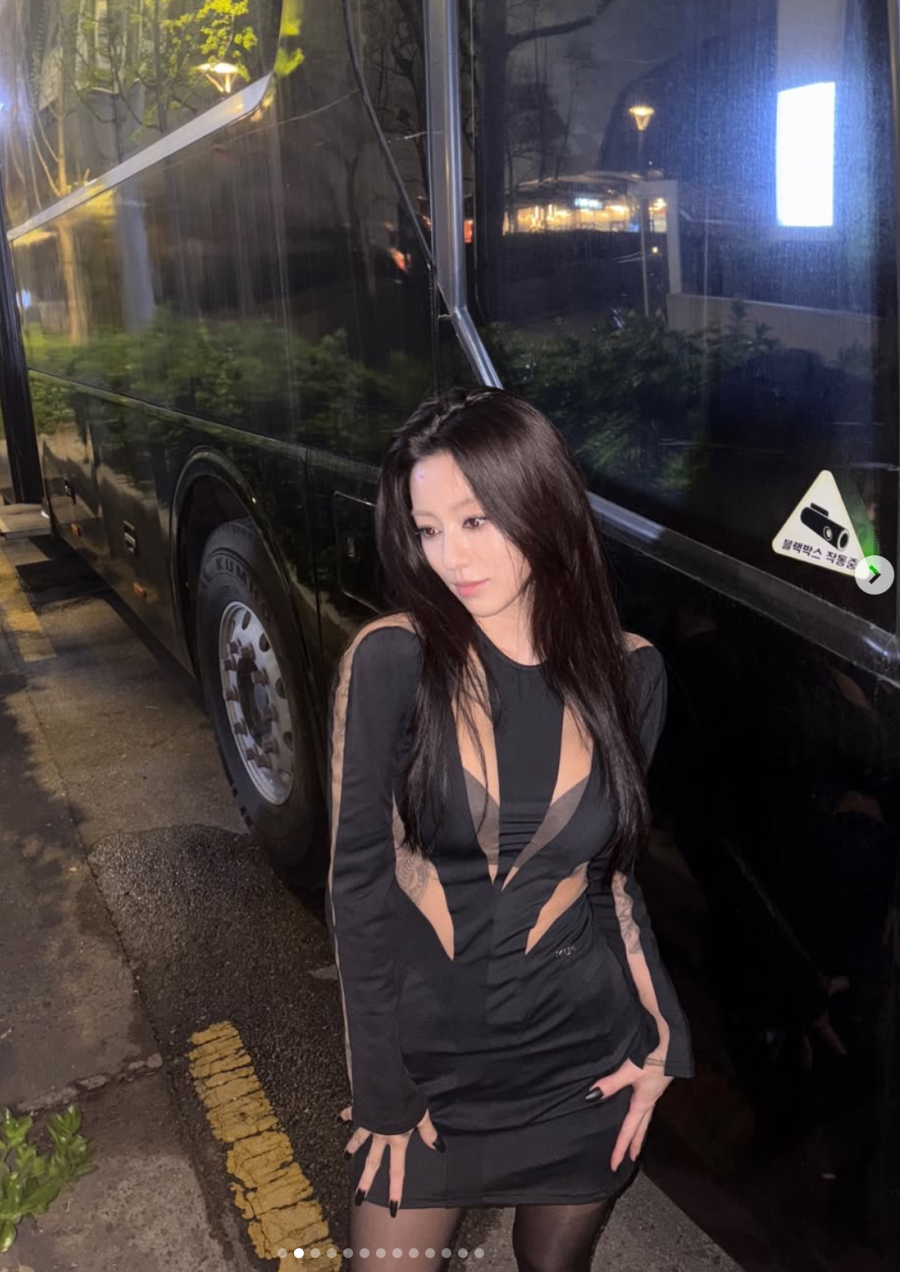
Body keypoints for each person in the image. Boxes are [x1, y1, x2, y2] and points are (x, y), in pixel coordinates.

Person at [325, 388, 693, 1272]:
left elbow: (610, 880)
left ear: (541, 504)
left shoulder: (631, 673)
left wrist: (665, 1041)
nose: (449, 556)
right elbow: (359, 894)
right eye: (427, 529)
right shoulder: (392, 660)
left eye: (475, 520)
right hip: (431, 1071)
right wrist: (381, 1090)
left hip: (581, 1066)